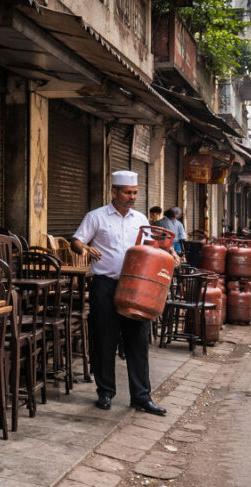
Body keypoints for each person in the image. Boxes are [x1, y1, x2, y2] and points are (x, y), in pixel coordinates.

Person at [71, 170, 173, 416]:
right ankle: (105, 392)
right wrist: (84, 248)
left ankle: (141, 396)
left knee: (137, 341)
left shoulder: (140, 219)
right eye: (128, 192)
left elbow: (151, 249)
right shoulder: (96, 217)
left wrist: (170, 254)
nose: (132, 197)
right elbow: (75, 240)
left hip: (136, 287)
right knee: (104, 340)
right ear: (114, 192)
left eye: (135, 193)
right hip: (105, 285)